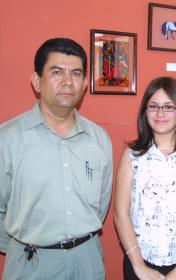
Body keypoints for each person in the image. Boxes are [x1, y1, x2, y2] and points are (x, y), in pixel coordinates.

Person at [0, 38, 113, 279]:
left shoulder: (99, 138)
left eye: (76, 73)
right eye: (56, 72)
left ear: (84, 84)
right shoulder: (7, 138)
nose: (67, 81)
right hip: (31, 263)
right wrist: (27, 243)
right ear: (36, 81)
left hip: (88, 262)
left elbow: (102, 205)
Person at [114, 77, 176, 280]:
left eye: (169, 107)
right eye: (154, 106)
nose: (160, 113)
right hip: (140, 264)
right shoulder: (132, 155)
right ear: (145, 112)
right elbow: (120, 214)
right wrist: (139, 266)